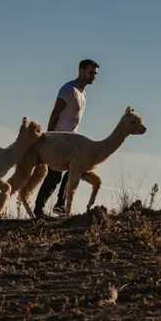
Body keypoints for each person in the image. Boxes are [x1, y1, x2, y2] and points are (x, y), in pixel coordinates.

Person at [33, 59, 99, 218]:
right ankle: (39, 209)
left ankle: (60, 205)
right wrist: (48, 137)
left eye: (95, 74)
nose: (93, 76)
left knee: (74, 170)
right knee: (54, 176)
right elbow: (55, 113)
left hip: (72, 141)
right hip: (58, 139)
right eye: (91, 72)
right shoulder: (69, 89)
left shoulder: (83, 94)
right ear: (81, 71)